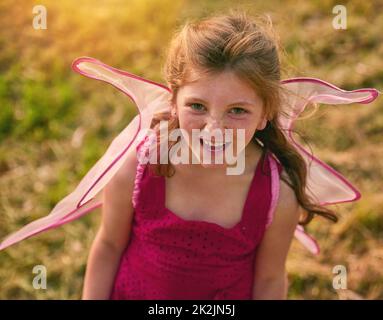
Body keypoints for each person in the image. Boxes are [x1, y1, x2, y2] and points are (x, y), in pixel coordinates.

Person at [0, 10, 379, 300]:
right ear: (174, 98)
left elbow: (268, 279)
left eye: (237, 111)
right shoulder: (139, 167)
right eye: (197, 106)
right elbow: (110, 244)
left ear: (267, 112)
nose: (214, 129)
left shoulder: (277, 196)